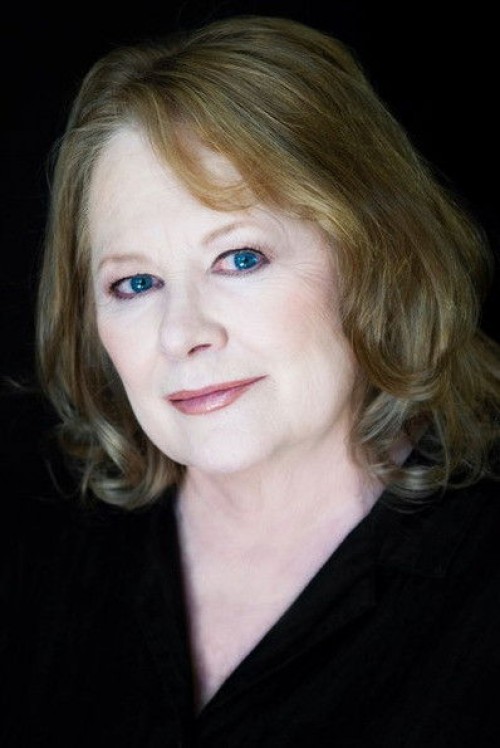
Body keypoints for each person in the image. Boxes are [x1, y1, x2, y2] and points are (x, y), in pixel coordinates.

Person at [2, 13, 500, 747]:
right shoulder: (35, 545)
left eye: (240, 259)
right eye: (135, 283)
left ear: (373, 259)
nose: (182, 333)